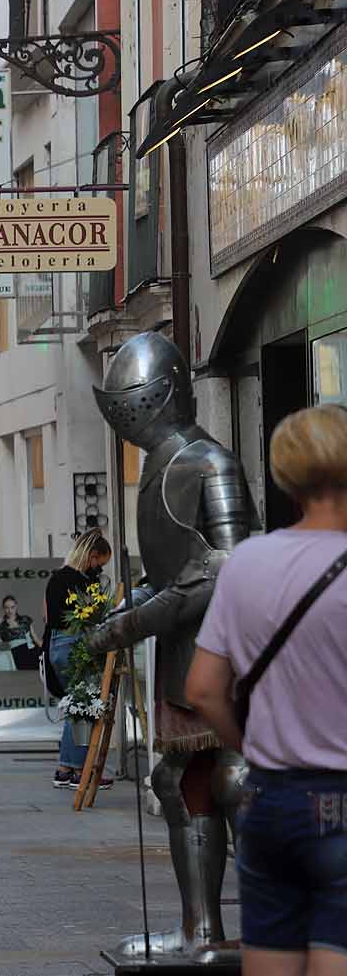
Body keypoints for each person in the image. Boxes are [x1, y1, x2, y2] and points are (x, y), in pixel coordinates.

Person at [186, 404, 347, 976]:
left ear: (286, 476)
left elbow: (203, 689)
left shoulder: (247, 562)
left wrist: (251, 745)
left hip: (269, 799)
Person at [37, 528, 112, 790]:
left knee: (76, 705)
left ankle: (65, 770)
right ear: (92, 556)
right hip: (74, 643)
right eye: (100, 563)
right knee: (85, 704)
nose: (100, 569)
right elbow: (90, 616)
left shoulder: (57, 577)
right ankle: (81, 770)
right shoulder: (82, 581)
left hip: (57, 645)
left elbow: (48, 618)